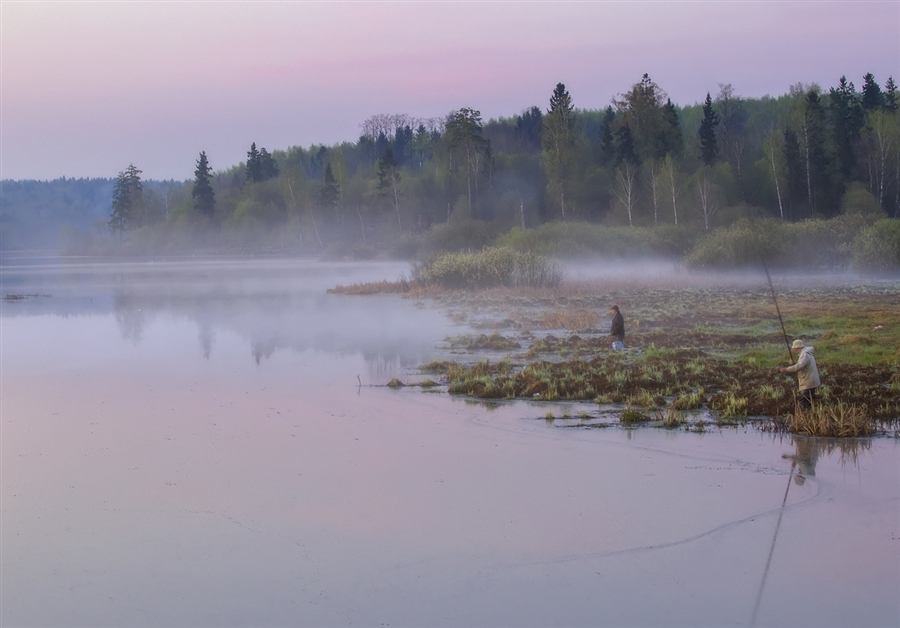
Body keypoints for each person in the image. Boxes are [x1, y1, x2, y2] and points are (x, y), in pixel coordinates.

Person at [780, 339, 820, 408]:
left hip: (808, 382)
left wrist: (786, 369)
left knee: (805, 401)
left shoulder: (804, 354)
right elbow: (802, 365)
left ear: (797, 348)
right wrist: (794, 364)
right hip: (811, 381)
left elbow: (799, 367)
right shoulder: (806, 353)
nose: (794, 350)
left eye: (794, 348)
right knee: (808, 400)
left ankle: (805, 414)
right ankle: (809, 414)